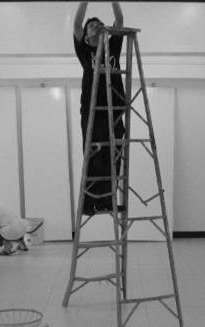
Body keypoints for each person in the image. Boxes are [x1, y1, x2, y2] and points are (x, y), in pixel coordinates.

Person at [73, 2, 126, 215]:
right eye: (91, 27)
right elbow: (77, 23)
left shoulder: (113, 46)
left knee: (114, 155)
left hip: (114, 109)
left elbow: (120, 21)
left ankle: (107, 201)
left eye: (99, 25)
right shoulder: (85, 51)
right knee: (95, 155)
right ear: (86, 35)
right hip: (92, 110)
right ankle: (89, 203)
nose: (95, 28)